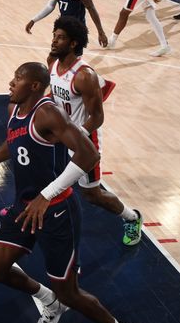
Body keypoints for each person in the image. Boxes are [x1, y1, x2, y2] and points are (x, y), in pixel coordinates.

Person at [0, 62, 141, 323]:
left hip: (57, 211)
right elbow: (13, 143)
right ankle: (49, 301)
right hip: (25, 206)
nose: (10, 83)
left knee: (70, 292)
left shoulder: (47, 113)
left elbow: (89, 154)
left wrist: (46, 195)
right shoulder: (14, 110)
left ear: (34, 86)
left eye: (17, 78)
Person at [47, 17, 142, 245]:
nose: (54, 41)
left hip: (83, 142)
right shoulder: (52, 62)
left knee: (92, 194)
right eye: (54, 35)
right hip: (62, 134)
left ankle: (132, 217)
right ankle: (25, 207)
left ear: (73, 43)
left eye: (60, 38)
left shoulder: (84, 76)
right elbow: (53, 94)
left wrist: (76, 136)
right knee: (40, 168)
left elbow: (97, 117)